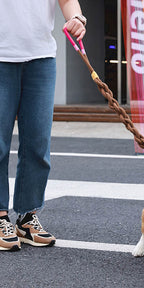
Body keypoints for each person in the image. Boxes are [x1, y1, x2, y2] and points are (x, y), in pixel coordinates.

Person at [0, 0, 86, 251]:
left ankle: (27, 217)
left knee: (38, 143)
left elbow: (68, 1)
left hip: (41, 59)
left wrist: (78, 19)